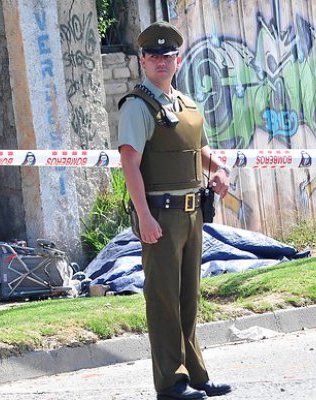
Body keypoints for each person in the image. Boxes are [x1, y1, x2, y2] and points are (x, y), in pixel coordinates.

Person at [117, 21, 232, 400]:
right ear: (142, 61)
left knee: (188, 296)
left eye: (167, 56)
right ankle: (170, 382)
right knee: (164, 299)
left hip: (192, 212)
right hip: (161, 216)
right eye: (153, 56)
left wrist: (220, 171)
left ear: (178, 60)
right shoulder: (138, 106)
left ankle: (196, 374)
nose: (160, 61)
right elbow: (130, 164)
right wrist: (144, 217)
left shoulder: (186, 105)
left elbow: (201, 153)